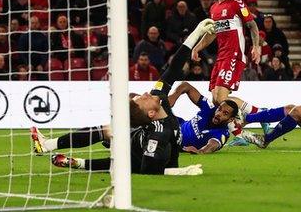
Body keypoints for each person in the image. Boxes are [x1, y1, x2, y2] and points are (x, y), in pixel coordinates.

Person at [33, 19, 217, 175]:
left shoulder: (157, 105)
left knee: (126, 158)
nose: (146, 94)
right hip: (140, 141)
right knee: (114, 138)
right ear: (151, 113)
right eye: (143, 99)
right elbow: (149, 170)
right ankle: (48, 146)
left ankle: (77, 162)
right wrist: (182, 171)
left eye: (142, 97)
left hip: (141, 149)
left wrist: (197, 31)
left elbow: (174, 67)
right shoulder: (158, 128)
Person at [191, 0, 260, 110]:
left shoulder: (237, 3)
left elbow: (252, 25)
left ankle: (252, 120)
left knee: (222, 98)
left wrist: (256, 47)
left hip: (234, 55)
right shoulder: (214, 8)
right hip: (221, 57)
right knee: (216, 99)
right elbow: (213, 33)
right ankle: (255, 114)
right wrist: (197, 47)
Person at [167, 82, 239, 154]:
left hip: (176, 141)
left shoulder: (222, 133)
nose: (219, 114)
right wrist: (174, 96)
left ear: (231, 119)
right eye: (219, 109)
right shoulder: (209, 108)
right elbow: (186, 86)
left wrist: (201, 151)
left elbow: (212, 145)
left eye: (225, 113)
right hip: (176, 123)